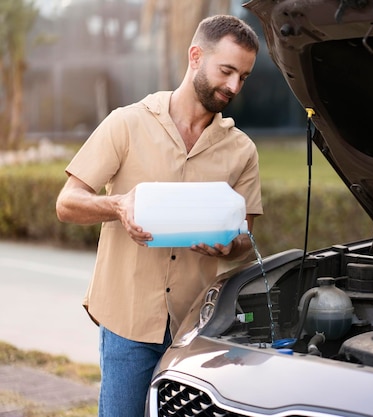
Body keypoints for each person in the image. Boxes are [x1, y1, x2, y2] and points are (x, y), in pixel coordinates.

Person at [55, 14, 262, 417]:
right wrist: (117, 205)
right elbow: (67, 203)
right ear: (196, 56)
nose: (234, 86)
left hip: (196, 329)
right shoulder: (127, 124)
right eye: (227, 71)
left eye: (244, 77)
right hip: (128, 324)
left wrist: (227, 246)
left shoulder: (242, 151)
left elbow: (245, 239)